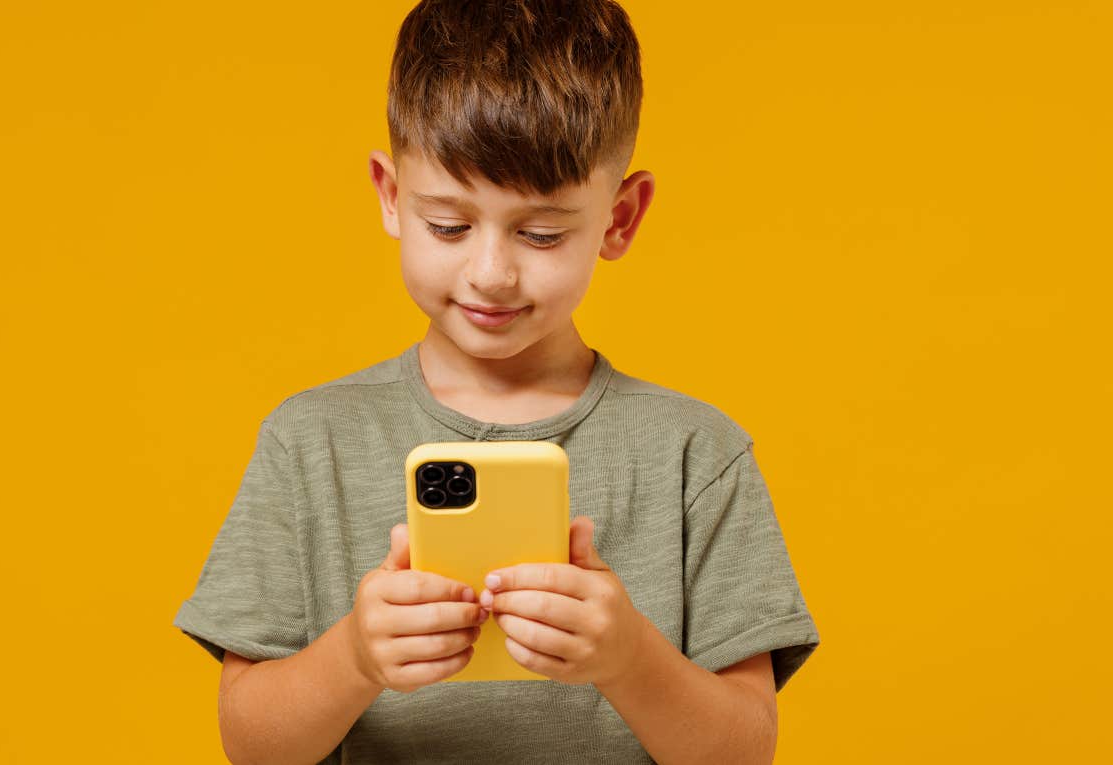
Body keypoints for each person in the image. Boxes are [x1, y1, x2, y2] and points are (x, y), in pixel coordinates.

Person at [173, 1, 820, 762]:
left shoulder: (694, 452)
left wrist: (630, 658)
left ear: (620, 218)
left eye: (541, 233)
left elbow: (745, 750)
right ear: (388, 194)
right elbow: (250, 744)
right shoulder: (309, 441)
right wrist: (352, 656)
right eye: (448, 225)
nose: (491, 273)